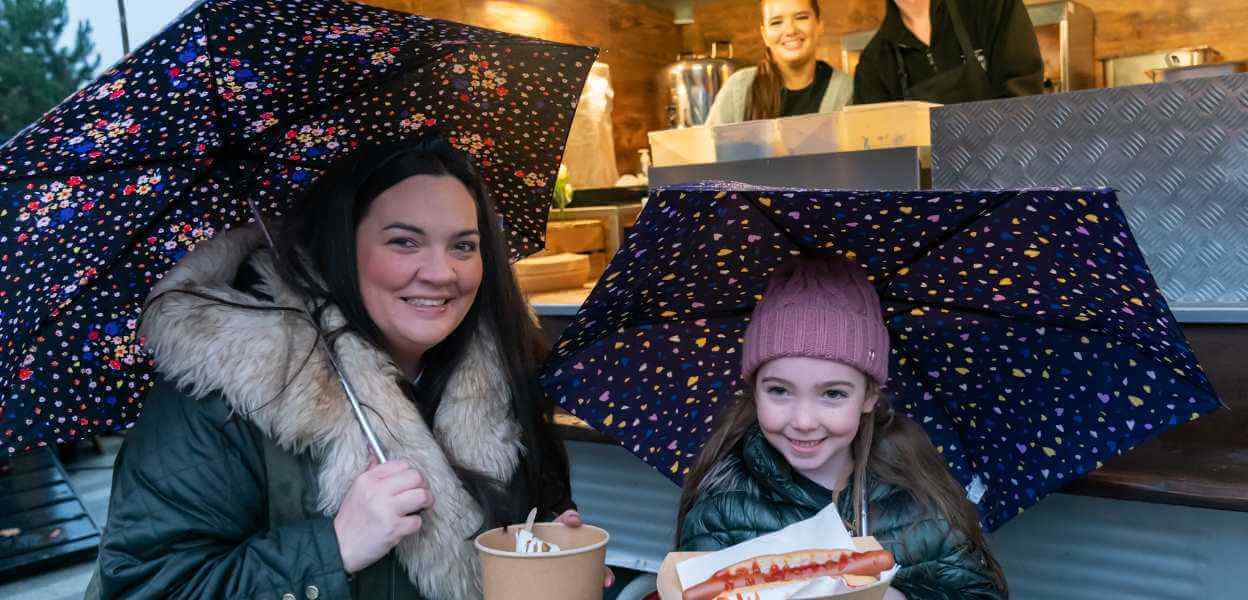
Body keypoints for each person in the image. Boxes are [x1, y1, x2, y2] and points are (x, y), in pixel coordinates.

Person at [91, 138, 606, 599]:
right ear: (343, 246)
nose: (441, 272)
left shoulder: (504, 375)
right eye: (404, 241)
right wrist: (333, 548)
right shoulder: (223, 392)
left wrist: (541, 554)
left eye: (463, 246)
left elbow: (534, 517)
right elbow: (145, 586)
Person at [675, 258, 1008, 599]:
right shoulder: (721, 508)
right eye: (779, 390)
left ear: (868, 396)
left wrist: (894, 597)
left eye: (832, 394)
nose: (804, 421)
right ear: (754, 389)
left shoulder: (918, 498)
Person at [853, 0, 1044, 105]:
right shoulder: (874, 63)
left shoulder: (991, 6)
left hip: (1006, 167)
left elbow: (1025, 95)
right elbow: (881, 153)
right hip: (929, 177)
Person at [704, 0, 852, 125]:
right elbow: (707, 152)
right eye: (776, 22)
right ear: (764, 35)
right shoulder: (738, 89)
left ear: (819, 25)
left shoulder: (846, 90)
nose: (790, 30)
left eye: (801, 17)